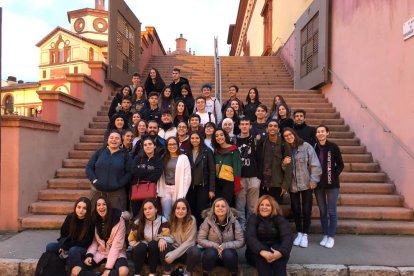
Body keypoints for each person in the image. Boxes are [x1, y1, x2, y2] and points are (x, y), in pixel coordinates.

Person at [282, 127, 322, 248]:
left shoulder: (306, 146)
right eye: (286, 136)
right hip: (293, 185)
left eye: (290, 134)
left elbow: (315, 164)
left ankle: (305, 234)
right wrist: (284, 163)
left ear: (294, 134)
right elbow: (283, 169)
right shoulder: (286, 149)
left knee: (306, 209)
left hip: (306, 183)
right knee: (296, 209)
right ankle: (299, 233)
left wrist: (314, 180)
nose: (288, 137)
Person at [72, 196, 129, 276]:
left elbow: (116, 246)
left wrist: (108, 268)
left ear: (108, 206)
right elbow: (95, 242)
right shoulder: (94, 220)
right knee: (75, 270)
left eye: (104, 204)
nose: (101, 207)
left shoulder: (118, 220)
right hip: (100, 252)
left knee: (124, 271)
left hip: (117, 253)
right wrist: (89, 255)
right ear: (96, 207)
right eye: (98, 205)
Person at [245, 195, 293, 276]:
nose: (264, 207)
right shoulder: (253, 218)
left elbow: (288, 237)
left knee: (279, 263)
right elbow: (250, 237)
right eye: (262, 205)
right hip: (257, 252)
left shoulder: (279, 219)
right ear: (258, 206)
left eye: (268, 205)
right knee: (262, 261)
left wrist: (280, 253)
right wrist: (262, 251)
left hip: (276, 251)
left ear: (273, 207)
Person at [86, 130, 133, 211]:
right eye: (111, 138)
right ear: (107, 140)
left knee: (116, 217)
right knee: (94, 215)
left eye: (117, 138)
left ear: (121, 141)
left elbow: (130, 172)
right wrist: (94, 180)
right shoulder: (100, 152)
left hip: (117, 193)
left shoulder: (125, 155)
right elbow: (89, 167)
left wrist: (119, 183)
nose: (114, 140)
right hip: (97, 191)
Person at [314, 125, 344, 249]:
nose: (320, 133)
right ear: (316, 134)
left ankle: (331, 236)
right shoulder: (314, 147)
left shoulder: (333, 147)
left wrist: (333, 176)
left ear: (327, 133)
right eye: (318, 132)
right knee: (322, 211)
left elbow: (341, 165)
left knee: (332, 211)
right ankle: (325, 234)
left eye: (323, 131)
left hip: (332, 185)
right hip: (318, 184)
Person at [45, 197, 94, 273]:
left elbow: (86, 242)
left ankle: (73, 272)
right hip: (68, 245)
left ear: (88, 210)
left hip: (81, 248)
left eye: (84, 208)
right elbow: (63, 234)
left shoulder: (90, 222)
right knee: (50, 246)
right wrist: (62, 246)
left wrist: (66, 247)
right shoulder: (70, 217)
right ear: (75, 207)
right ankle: (55, 269)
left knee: (73, 250)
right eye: (79, 207)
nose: (81, 210)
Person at [197, 198, 245, 276]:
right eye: (217, 206)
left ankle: (234, 273)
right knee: (211, 252)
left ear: (227, 208)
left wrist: (224, 246)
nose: (220, 208)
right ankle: (205, 273)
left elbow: (241, 241)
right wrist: (216, 246)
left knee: (228, 253)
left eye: (223, 206)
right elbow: (200, 239)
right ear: (213, 208)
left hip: (228, 256)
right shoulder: (208, 220)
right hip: (212, 256)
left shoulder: (234, 221)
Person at [128, 198, 174, 276]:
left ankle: (152, 273)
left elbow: (170, 238)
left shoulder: (163, 221)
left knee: (153, 244)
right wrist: (137, 244)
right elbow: (130, 239)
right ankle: (137, 274)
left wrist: (163, 238)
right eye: (145, 209)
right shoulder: (138, 222)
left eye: (150, 208)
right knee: (142, 246)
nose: (147, 211)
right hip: (142, 254)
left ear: (156, 209)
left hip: (156, 254)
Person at [257, 120, 293, 205]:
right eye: (270, 126)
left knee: (275, 211)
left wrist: (285, 185)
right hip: (263, 183)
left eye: (275, 126)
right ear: (267, 129)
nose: (272, 127)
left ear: (278, 129)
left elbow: (289, 167)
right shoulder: (262, 142)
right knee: (263, 210)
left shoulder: (284, 144)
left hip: (277, 184)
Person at [235, 117, 261, 229]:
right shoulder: (234, 141)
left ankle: (251, 228)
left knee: (252, 206)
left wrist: (259, 177)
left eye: (247, 124)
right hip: (240, 177)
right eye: (242, 124)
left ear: (250, 126)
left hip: (254, 177)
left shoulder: (256, 140)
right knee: (240, 206)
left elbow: (260, 158)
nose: (244, 126)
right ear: (239, 126)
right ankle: (241, 228)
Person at [164, 199, 201, 275]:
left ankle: (187, 272)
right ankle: (167, 272)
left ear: (187, 210)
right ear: (174, 210)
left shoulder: (191, 220)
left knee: (195, 251)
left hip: (185, 252)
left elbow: (190, 242)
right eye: (178, 208)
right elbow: (168, 236)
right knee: (162, 245)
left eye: (183, 209)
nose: (180, 211)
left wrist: (173, 255)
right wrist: (162, 239)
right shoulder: (170, 219)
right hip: (174, 248)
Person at [186, 131, 215, 226]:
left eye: (197, 138)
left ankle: (202, 232)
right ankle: (194, 231)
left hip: (203, 186)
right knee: (192, 210)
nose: (194, 140)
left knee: (201, 211)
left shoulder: (207, 151)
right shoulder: (187, 152)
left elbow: (212, 171)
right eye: (192, 138)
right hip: (190, 187)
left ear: (201, 139)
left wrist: (211, 189)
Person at [157, 137, 192, 219]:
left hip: (178, 188)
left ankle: (176, 230)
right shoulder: (163, 157)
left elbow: (187, 177)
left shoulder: (183, 158)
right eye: (170, 144)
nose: (172, 146)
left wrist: (183, 192)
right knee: (166, 213)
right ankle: (167, 231)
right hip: (165, 189)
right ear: (166, 146)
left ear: (178, 145)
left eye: (174, 144)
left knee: (177, 213)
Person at [131, 137, 163, 216]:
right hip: (137, 191)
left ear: (154, 146)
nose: (147, 146)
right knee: (137, 216)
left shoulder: (158, 160)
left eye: (150, 144)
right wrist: (149, 171)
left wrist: (141, 170)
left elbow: (155, 176)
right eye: (145, 145)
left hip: (150, 192)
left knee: (149, 215)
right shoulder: (138, 158)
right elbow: (134, 171)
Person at [212, 128, 241, 205]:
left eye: (221, 135)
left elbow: (237, 168)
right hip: (217, 182)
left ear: (225, 136)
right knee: (217, 204)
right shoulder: (216, 151)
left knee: (226, 204)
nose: (219, 137)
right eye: (216, 136)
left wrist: (237, 185)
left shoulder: (234, 150)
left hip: (228, 182)